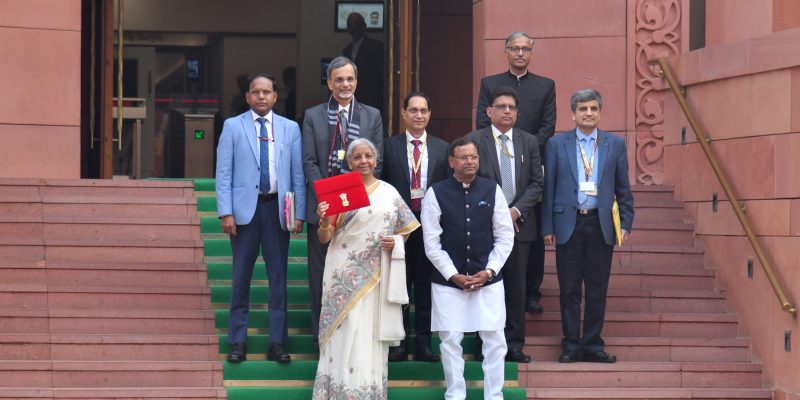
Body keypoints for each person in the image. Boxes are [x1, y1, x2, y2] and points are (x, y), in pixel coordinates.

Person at [312, 138, 419, 399]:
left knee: (368, 334)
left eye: (368, 156)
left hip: (375, 274)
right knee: (344, 329)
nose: (363, 161)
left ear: (375, 160)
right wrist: (325, 220)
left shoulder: (389, 192)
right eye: (357, 157)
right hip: (341, 271)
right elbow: (325, 237)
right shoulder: (340, 191)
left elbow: (405, 232)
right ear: (349, 162)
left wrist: (394, 242)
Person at [215, 72, 306, 363]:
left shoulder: (290, 128)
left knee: (278, 279)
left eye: (267, 92)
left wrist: (299, 213)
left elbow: (297, 175)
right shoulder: (232, 126)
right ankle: (237, 341)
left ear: (275, 96)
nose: (262, 97)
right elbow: (224, 173)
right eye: (256, 92)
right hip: (244, 213)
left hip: (277, 211)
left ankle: (277, 342)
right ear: (247, 97)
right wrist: (225, 211)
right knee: (241, 277)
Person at [541, 89, 634, 363]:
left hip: (601, 224)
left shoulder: (614, 144)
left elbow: (623, 188)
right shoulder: (557, 144)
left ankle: (593, 344)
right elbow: (549, 189)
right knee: (569, 288)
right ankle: (571, 344)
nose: (589, 113)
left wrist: (626, 222)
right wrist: (548, 227)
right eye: (583, 109)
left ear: (600, 112)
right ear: (573, 113)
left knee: (597, 288)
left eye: (593, 108)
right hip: (568, 223)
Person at [422, 137, 514, 400]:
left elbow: (505, 236)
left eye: (473, 157)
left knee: (495, 340)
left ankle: (494, 395)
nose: (470, 161)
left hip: (489, 280)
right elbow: (431, 243)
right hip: (448, 282)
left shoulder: (492, 189)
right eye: (463, 157)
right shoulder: (435, 192)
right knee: (450, 341)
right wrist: (453, 275)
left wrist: (490, 271)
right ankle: (455, 394)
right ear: (452, 161)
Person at [303, 56, 384, 352]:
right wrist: (330, 198)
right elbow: (309, 162)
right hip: (323, 208)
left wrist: (349, 199)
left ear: (356, 82)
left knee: (354, 272)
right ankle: (320, 335)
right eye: (339, 79)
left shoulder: (372, 115)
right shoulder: (313, 116)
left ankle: (351, 336)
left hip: (358, 208)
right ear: (329, 83)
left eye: (349, 79)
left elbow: (377, 160)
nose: (345, 85)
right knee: (319, 275)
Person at [476, 31, 556, 315]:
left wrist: (525, 149)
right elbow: (480, 124)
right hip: (494, 164)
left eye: (525, 49)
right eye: (515, 48)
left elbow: (547, 127)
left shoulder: (545, 86)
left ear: (531, 53)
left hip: (530, 164)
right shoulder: (490, 83)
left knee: (531, 237)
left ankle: (531, 291)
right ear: (506, 51)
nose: (520, 53)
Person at [467, 86, 543, 363]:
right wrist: (497, 214)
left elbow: (537, 183)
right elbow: (470, 181)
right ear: (489, 112)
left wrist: (515, 211)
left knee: (516, 287)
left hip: (520, 227)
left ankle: (514, 345)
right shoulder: (474, 141)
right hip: (483, 228)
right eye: (501, 107)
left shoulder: (529, 142)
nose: (507, 111)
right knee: (484, 286)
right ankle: (483, 343)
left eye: (511, 107)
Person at [382, 92, 449, 362]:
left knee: (424, 286)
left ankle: (423, 344)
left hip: (430, 227)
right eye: (413, 110)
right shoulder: (389, 147)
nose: (418, 115)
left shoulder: (443, 148)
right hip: (399, 230)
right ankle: (399, 343)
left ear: (429, 114)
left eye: (423, 110)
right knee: (399, 286)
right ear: (404, 113)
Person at [343, 12, 385, 114]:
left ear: (364, 26)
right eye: (350, 25)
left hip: (371, 99)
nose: (353, 28)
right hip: (351, 98)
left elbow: (380, 76)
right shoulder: (346, 50)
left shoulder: (376, 47)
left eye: (356, 24)